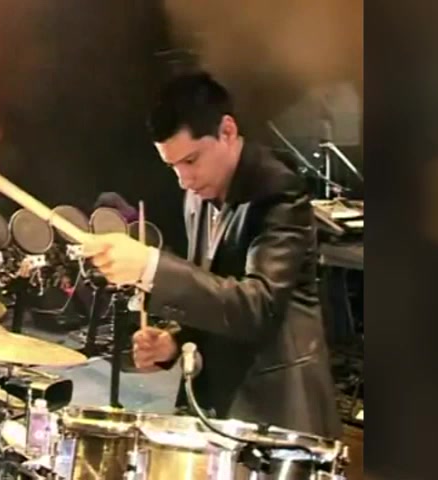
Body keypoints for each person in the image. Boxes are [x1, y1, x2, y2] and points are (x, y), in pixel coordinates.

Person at [84, 72, 341, 438]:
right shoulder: (196, 195)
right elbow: (214, 290)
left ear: (227, 131)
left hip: (278, 409)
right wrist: (175, 342)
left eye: (191, 160)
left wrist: (151, 266)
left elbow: (257, 306)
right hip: (219, 406)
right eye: (173, 166)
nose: (183, 179)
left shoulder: (278, 191)